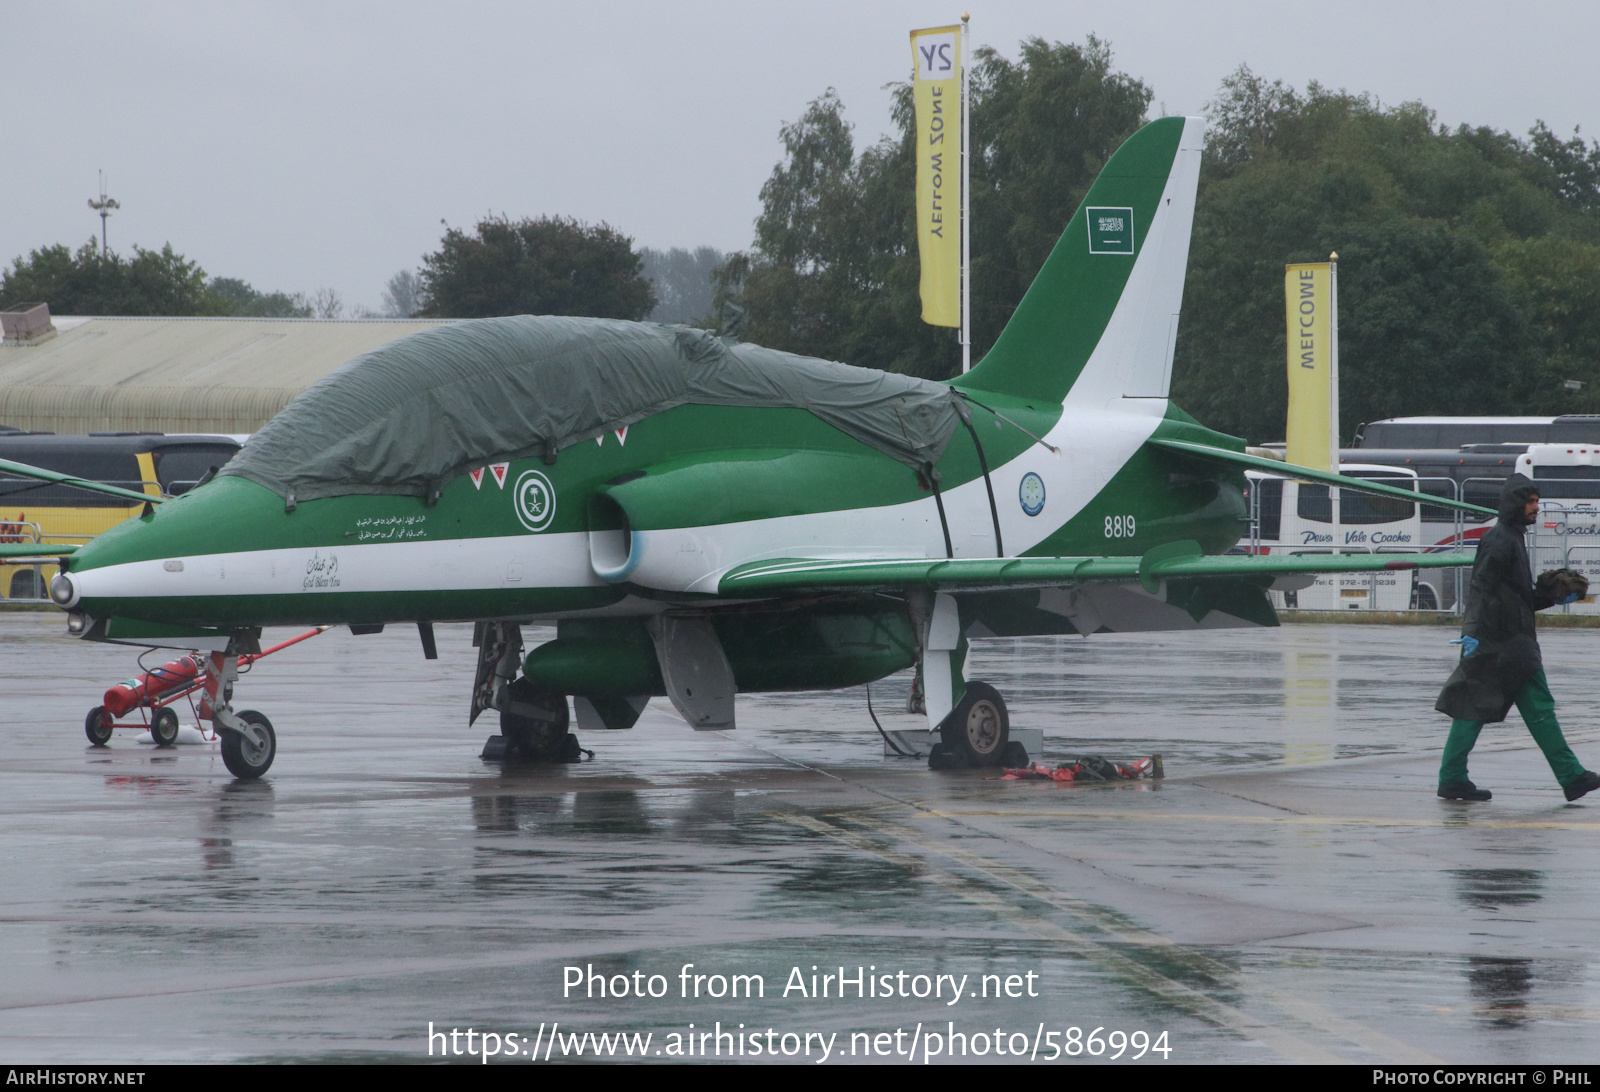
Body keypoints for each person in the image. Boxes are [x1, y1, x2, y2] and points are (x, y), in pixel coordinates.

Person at [1435, 473, 1600, 803]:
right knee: (1533, 709)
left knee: (1472, 707)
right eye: (1531, 501)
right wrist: (1471, 633)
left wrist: (1552, 598)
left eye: (1537, 501)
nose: (1536, 507)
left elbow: (1517, 597)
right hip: (1504, 644)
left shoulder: (1511, 538)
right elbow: (1480, 587)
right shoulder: (1500, 540)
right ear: (1515, 503)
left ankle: (1452, 778)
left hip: (1502, 644)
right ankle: (1570, 776)